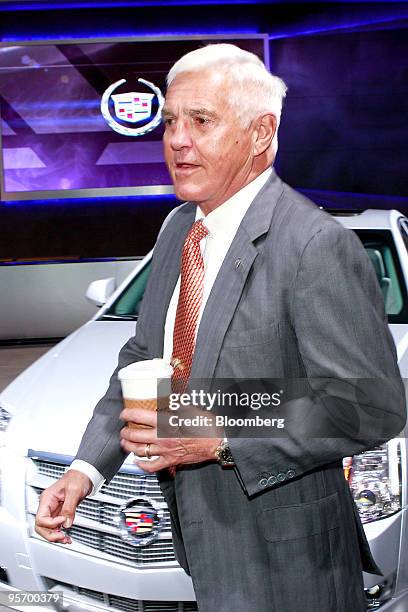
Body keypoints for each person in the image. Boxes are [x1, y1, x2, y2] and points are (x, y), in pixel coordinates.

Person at [35, 44, 406, 611]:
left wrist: (222, 435)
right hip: (202, 544)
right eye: (170, 122)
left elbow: (370, 404)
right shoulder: (178, 229)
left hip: (291, 563)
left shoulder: (315, 244)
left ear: (261, 134)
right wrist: (87, 470)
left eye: (200, 121)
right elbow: (142, 358)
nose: (177, 140)